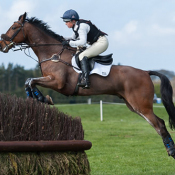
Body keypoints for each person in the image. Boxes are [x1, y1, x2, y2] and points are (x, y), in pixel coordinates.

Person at [61, 9, 109, 89]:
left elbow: (82, 42)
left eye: (66, 21)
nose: (65, 23)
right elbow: (72, 38)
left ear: (73, 21)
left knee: (82, 56)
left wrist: (69, 43)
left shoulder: (81, 27)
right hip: (95, 43)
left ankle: (86, 80)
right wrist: (61, 38)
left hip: (101, 43)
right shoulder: (76, 26)